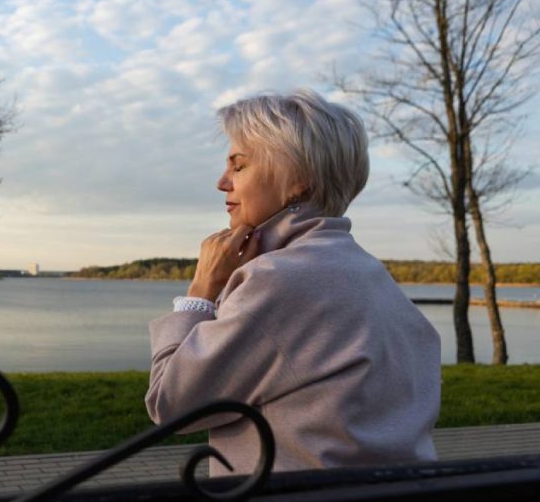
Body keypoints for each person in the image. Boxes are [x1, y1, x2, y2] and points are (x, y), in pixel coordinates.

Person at [145, 89, 441, 476]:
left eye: (239, 166)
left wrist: (201, 293)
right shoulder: (371, 275)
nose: (222, 182)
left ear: (297, 178)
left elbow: (172, 405)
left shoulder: (278, 280)